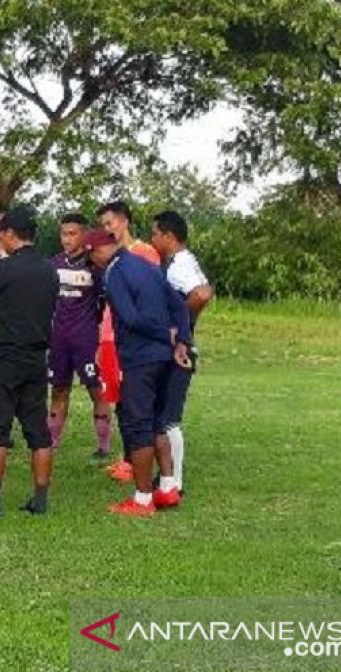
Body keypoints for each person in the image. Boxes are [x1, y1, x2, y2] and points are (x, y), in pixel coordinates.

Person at [84, 229, 192, 517]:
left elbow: (130, 317)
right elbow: (180, 306)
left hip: (139, 357)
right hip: (165, 358)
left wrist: (166, 335)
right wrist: (181, 339)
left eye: (91, 256)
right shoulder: (149, 266)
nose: (93, 262)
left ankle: (143, 499)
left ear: (98, 250)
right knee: (158, 421)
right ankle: (168, 487)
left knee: (138, 425)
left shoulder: (114, 273)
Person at [0, 208, 60, 519]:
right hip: (36, 358)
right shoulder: (49, 270)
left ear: (11, 234)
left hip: (1, 359)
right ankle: (40, 500)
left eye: (1, 232)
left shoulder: (2, 268)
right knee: (38, 431)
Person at [149, 210, 214, 503]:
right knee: (163, 415)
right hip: (176, 347)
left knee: (168, 418)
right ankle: (168, 476)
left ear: (168, 237)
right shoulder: (186, 260)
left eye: (155, 234)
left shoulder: (177, 266)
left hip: (179, 351)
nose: (152, 240)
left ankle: (174, 481)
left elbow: (201, 294)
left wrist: (179, 323)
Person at [95, 200, 161, 482]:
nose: (107, 230)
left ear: (124, 221)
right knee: (119, 399)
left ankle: (138, 462)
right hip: (110, 337)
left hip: (133, 338)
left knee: (136, 401)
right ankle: (127, 458)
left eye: (110, 223)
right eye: (103, 226)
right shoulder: (110, 258)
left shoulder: (145, 253)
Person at [47, 213, 107, 456]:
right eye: (64, 234)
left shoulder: (95, 266)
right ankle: (51, 441)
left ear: (84, 235)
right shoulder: (52, 265)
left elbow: (105, 304)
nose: (67, 239)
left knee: (96, 389)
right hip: (58, 337)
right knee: (59, 389)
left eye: (73, 233)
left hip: (86, 339)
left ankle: (103, 445)